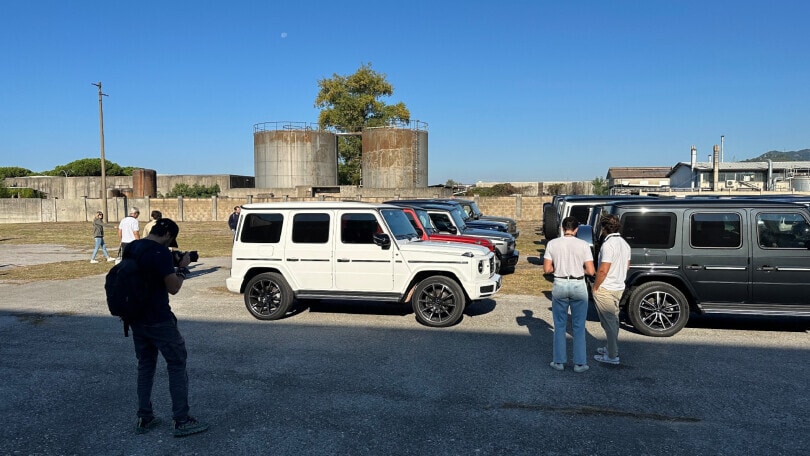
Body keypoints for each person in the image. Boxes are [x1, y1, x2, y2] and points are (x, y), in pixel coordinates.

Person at [125, 218, 209, 437]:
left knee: (145, 366)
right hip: (159, 319)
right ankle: (182, 420)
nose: (170, 244)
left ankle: (145, 417)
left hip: (136, 318)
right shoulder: (160, 253)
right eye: (171, 240)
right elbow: (173, 288)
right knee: (176, 364)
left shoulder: (132, 247)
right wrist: (181, 269)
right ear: (168, 235)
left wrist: (172, 260)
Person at [543, 216, 595, 373]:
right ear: (577, 230)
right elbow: (591, 271)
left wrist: (557, 268)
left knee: (559, 325)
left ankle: (559, 361)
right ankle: (580, 363)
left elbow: (547, 269)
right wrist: (581, 271)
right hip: (578, 284)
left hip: (560, 283)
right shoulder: (583, 245)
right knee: (579, 326)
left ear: (562, 228)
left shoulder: (552, 244)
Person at [592, 214, 631, 365]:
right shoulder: (624, 243)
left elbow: (603, 270)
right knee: (614, 320)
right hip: (619, 286)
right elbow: (627, 265)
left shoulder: (608, 245)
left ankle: (612, 355)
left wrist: (595, 287)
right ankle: (610, 347)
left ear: (603, 228)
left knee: (608, 323)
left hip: (606, 287)